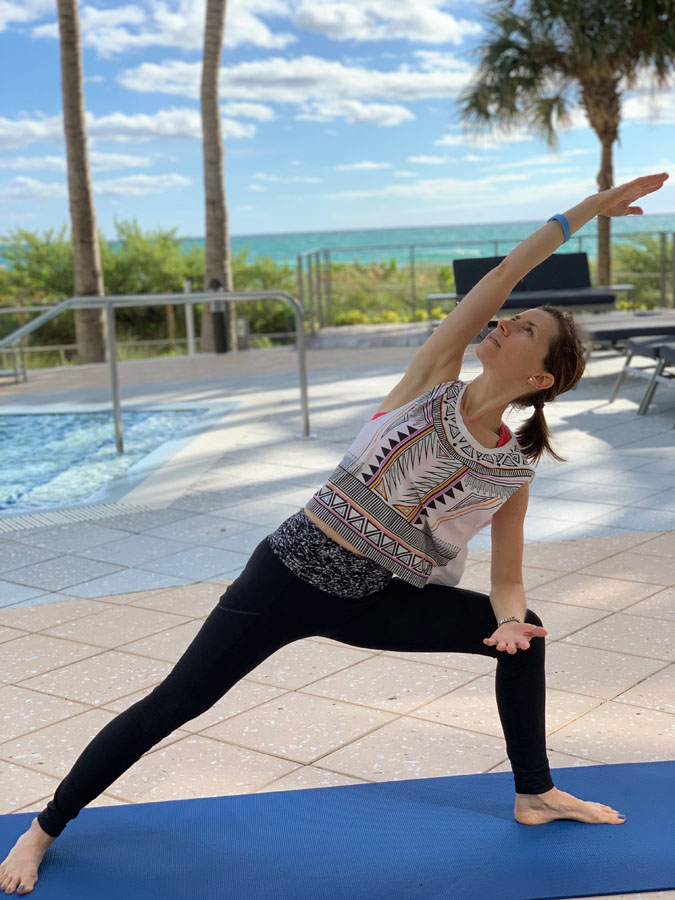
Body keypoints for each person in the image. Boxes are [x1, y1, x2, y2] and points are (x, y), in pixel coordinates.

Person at [0, 171, 668, 896]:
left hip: (372, 600)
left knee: (526, 633)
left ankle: (534, 794)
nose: (505, 323)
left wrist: (507, 623)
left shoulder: (511, 471)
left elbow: (507, 579)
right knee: (173, 705)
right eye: (513, 318)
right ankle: (43, 829)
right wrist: (585, 211)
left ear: (540, 378)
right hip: (282, 579)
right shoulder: (432, 379)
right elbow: (503, 276)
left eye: (525, 330)